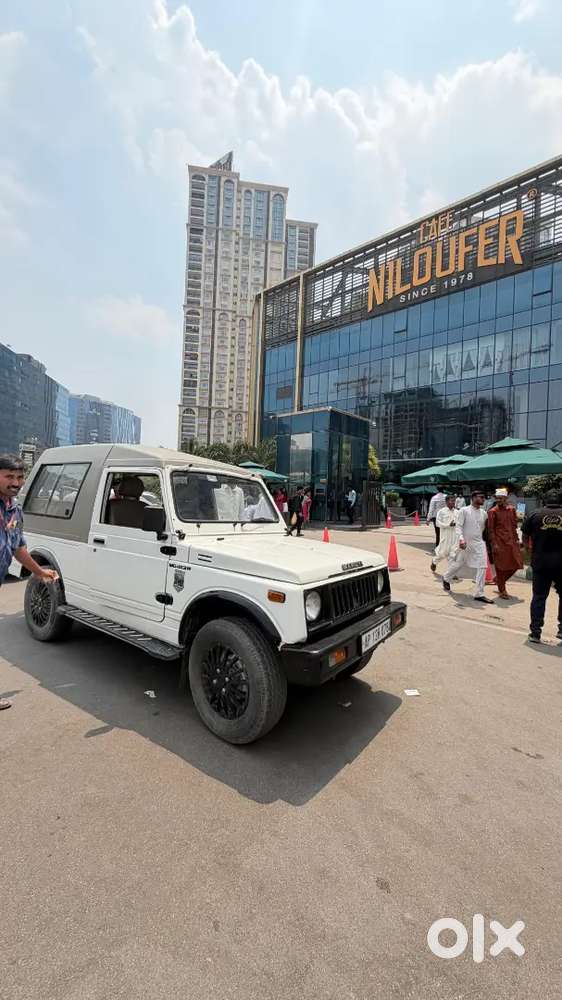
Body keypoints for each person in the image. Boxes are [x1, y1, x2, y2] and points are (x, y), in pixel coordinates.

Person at [0, 454, 59, 710]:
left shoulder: (14, 509)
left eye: (19, 477)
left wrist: (38, 571)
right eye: (9, 476)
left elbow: (18, 548)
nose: (15, 482)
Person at [522, 489, 562, 643]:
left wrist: (529, 549)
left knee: (539, 597)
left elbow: (525, 535)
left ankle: (535, 632)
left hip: (540, 562)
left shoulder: (534, 514)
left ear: (545, 500)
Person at [442, 490, 494, 604]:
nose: (483, 499)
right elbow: (458, 527)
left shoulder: (484, 513)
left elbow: (484, 530)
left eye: (484, 497)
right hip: (464, 543)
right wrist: (461, 539)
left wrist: (488, 543)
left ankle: (479, 593)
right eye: (481, 497)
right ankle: (446, 578)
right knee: (459, 564)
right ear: (473, 498)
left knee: (483, 566)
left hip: (479, 543)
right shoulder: (464, 511)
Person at [487, 488, 523, 599]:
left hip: (512, 541)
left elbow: (514, 525)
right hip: (499, 542)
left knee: (517, 564)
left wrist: (517, 539)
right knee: (500, 567)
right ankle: (502, 590)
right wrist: (494, 544)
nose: (499, 500)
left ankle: (498, 580)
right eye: (497, 498)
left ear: (506, 498)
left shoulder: (511, 509)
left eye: (501, 498)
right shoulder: (492, 511)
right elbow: (491, 529)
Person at [430, 495, 458, 573]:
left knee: (453, 554)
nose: (453, 502)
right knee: (442, 553)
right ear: (446, 502)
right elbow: (437, 523)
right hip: (445, 536)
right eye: (451, 501)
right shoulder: (441, 512)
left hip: (454, 536)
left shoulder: (457, 512)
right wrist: (448, 525)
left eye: (454, 501)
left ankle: (451, 572)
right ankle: (434, 561)